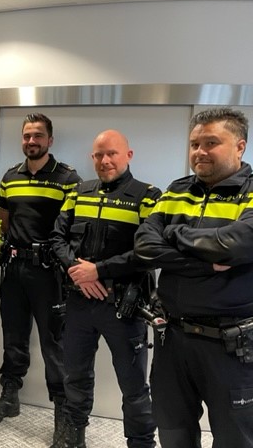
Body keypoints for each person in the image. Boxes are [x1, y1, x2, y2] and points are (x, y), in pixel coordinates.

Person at [134, 108, 253, 447]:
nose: (199, 151)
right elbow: (144, 247)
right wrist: (203, 261)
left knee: (236, 439)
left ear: (240, 146)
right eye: (194, 143)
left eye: (211, 142)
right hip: (173, 339)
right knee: (173, 433)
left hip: (231, 346)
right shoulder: (176, 190)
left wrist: (173, 233)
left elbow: (234, 245)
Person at [50, 130, 159, 448]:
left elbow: (150, 251)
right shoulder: (78, 191)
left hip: (123, 306)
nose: (105, 160)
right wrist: (80, 274)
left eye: (112, 153)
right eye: (98, 154)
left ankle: (141, 443)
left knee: (134, 385)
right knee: (75, 377)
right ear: (92, 158)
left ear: (129, 155)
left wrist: (98, 272)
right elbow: (57, 238)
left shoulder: (147, 196)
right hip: (79, 302)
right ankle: (73, 438)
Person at [0, 113, 81, 444]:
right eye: (26, 136)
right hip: (14, 270)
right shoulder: (10, 177)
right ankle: (10, 397)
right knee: (13, 336)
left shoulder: (68, 178)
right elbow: (5, 223)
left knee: (56, 345)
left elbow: (70, 230)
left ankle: (64, 417)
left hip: (51, 274)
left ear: (49, 140)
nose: (31, 141)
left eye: (38, 135)